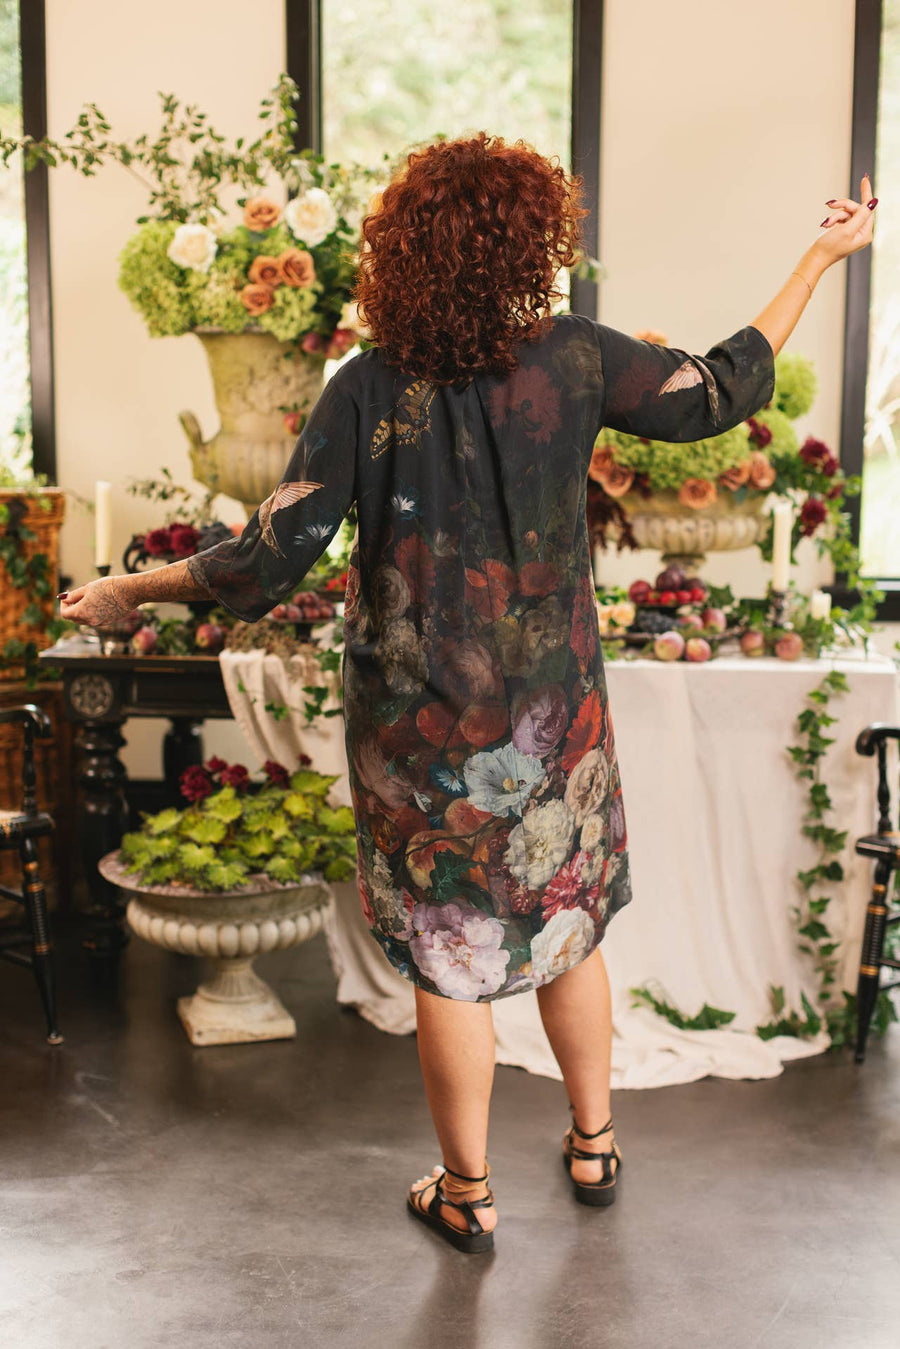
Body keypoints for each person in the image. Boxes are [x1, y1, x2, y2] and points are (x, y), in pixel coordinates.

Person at [59, 137, 876, 1255]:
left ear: (404, 249)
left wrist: (132, 589)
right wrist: (820, 259)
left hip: (418, 731)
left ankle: (467, 1189)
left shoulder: (367, 385)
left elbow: (271, 554)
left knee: (451, 960)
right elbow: (717, 389)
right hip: (556, 722)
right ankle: (593, 1145)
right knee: (568, 930)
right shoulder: (577, 357)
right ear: (530, 243)